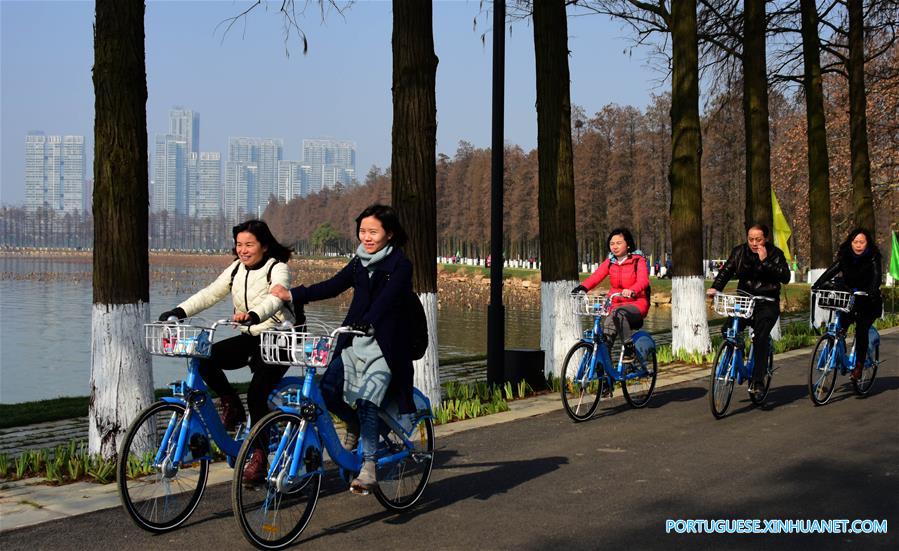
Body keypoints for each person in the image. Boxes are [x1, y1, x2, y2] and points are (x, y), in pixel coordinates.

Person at [271, 204, 414, 495]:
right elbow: (333, 286)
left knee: (368, 402)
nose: (366, 237)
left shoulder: (400, 265)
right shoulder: (359, 261)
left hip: (385, 346)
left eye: (373, 232)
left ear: (389, 233)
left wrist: (368, 321)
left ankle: (369, 466)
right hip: (354, 342)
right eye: (362, 231)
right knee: (327, 392)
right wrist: (292, 294)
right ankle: (353, 424)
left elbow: (386, 300)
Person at [157, 219, 296, 483]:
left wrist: (254, 314)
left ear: (264, 246)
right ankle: (231, 404)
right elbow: (210, 293)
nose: (243, 250)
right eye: (239, 244)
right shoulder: (236, 269)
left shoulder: (277, 268)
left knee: (257, 394)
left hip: (279, 341)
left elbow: (276, 298)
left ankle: (259, 455)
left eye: (249, 244)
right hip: (250, 337)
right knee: (204, 358)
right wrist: (179, 311)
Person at [707, 223, 790, 394]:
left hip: (767, 302)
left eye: (758, 239)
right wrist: (716, 287)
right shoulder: (739, 252)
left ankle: (758, 380)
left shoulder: (775, 254)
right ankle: (738, 348)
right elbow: (726, 271)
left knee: (760, 337)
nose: (754, 243)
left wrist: (765, 261)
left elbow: (785, 277)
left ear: (766, 239)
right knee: (728, 330)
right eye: (750, 239)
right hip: (745, 301)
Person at [811, 227, 883, 380]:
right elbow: (832, 270)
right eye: (855, 242)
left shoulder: (873, 257)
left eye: (861, 242)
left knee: (861, 329)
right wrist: (817, 283)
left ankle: (859, 365)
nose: (858, 245)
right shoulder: (845, 256)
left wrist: (871, 290)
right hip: (849, 299)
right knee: (840, 327)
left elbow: (877, 276)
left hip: (868, 300)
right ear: (851, 242)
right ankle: (838, 353)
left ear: (867, 243)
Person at [572, 227, 650, 361]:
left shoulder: (638, 260)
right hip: (614, 304)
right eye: (612, 243)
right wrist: (583, 288)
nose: (614, 247)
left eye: (619, 243)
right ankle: (604, 368)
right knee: (605, 337)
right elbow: (596, 276)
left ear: (628, 244)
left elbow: (643, 281)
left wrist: (632, 290)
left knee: (618, 313)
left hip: (636, 303)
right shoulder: (610, 262)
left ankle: (629, 348)